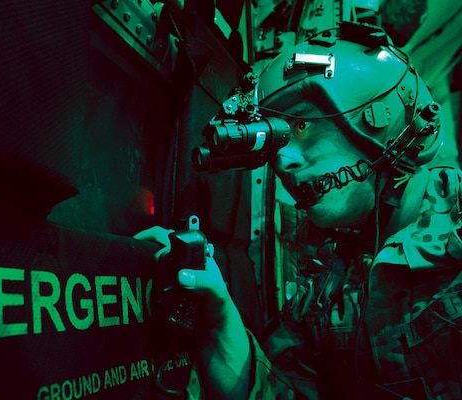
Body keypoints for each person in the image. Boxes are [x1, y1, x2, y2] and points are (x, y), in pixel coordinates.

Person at [135, 22, 462, 399]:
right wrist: (217, 322)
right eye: (279, 138)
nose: (282, 161)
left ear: (382, 122)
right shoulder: (323, 286)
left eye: (304, 126)